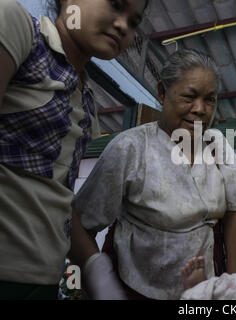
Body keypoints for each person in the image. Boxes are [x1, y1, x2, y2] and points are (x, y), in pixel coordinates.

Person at [69, 48, 236, 300]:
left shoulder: (217, 144)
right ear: (162, 93)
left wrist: (233, 288)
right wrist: (97, 277)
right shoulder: (131, 147)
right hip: (135, 287)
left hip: (204, 289)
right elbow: (79, 222)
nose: (200, 109)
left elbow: (234, 217)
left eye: (210, 99)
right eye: (189, 96)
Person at [0, 0, 148, 300]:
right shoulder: (17, 29)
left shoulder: (88, 106)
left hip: (41, 281)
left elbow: (56, 197)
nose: (122, 25)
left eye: (134, 22)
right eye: (115, 5)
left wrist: (94, 264)